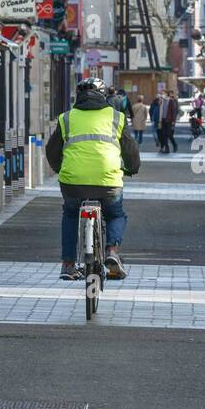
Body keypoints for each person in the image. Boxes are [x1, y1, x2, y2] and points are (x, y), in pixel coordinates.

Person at [46, 77, 141, 281]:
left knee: (71, 214)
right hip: (108, 181)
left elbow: (52, 151)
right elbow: (130, 149)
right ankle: (112, 252)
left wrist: (59, 168)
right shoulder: (116, 117)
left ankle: (68, 264)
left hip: (72, 182)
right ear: (104, 95)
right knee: (115, 214)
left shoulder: (67, 118)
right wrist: (132, 167)